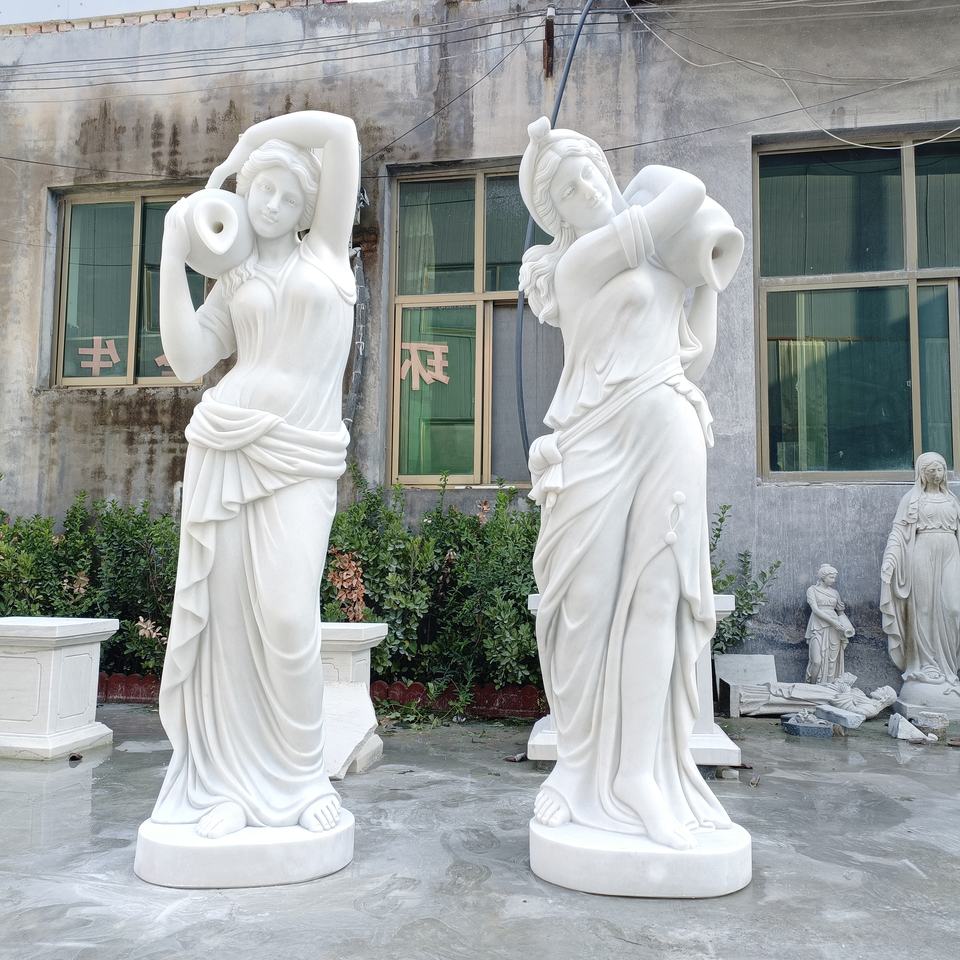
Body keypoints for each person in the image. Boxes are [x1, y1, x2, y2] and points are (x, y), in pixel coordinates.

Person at [518, 118, 743, 850]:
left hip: (669, 423)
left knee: (658, 596)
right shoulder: (584, 262)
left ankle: (642, 777)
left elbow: (694, 356)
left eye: (588, 171)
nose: (585, 189)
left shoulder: (658, 261)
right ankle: (577, 768)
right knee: (581, 606)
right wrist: (645, 197)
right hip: (593, 440)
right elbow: (689, 189)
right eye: (565, 190)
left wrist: (703, 278)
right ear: (556, 216)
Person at [151, 111, 359, 839]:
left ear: (307, 209)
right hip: (226, 444)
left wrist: (245, 143)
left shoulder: (327, 254)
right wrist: (172, 255)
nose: (270, 205)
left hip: (302, 457)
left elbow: (339, 133)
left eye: (287, 196)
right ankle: (226, 784)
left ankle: (301, 779)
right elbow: (188, 359)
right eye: (261, 189)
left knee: (287, 616)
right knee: (228, 628)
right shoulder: (233, 278)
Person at [881, 451, 960, 691]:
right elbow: (898, 532)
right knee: (923, 608)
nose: (937, 474)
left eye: (940, 469)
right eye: (931, 470)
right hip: (922, 552)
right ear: (922, 474)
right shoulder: (912, 499)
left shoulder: (951, 499)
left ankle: (949, 668)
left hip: (950, 553)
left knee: (953, 608)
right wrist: (890, 559)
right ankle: (926, 666)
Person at [805, 564, 855, 683]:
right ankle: (811, 687)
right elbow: (815, 610)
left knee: (832, 661)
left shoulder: (835, 593)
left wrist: (848, 626)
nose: (834, 580)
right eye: (831, 577)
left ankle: (828, 686)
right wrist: (833, 622)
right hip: (818, 626)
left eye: (834, 577)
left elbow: (841, 612)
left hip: (834, 629)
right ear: (823, 577)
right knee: (816, 661)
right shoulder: (812, 590)